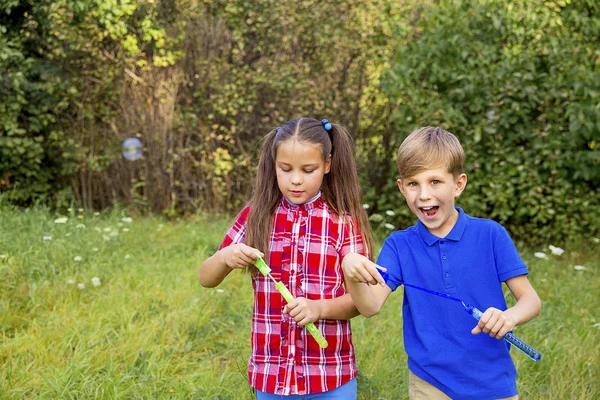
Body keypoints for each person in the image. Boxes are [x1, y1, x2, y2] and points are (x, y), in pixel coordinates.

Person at [342, 126, 541, 400]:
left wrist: (510, 317)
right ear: (402, 188)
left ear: (458, 184)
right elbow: (370, 306)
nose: (423, 194)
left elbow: (531, 300)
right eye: (413, 183)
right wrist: (350, 271)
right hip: (429, 384)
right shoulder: (399, 245)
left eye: (435, 181)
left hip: (492, 383)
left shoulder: (491, 235)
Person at [200, 117, 374, 399]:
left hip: (330, 374)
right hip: (271, 374)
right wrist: (226, 257)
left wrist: (319, 309)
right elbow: (206, 278)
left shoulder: (343, 224)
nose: (295, 179)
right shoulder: (256, 216)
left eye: (308, 170)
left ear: (327, 165)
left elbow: (361, 301)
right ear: (274, 165)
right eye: (285, 169)